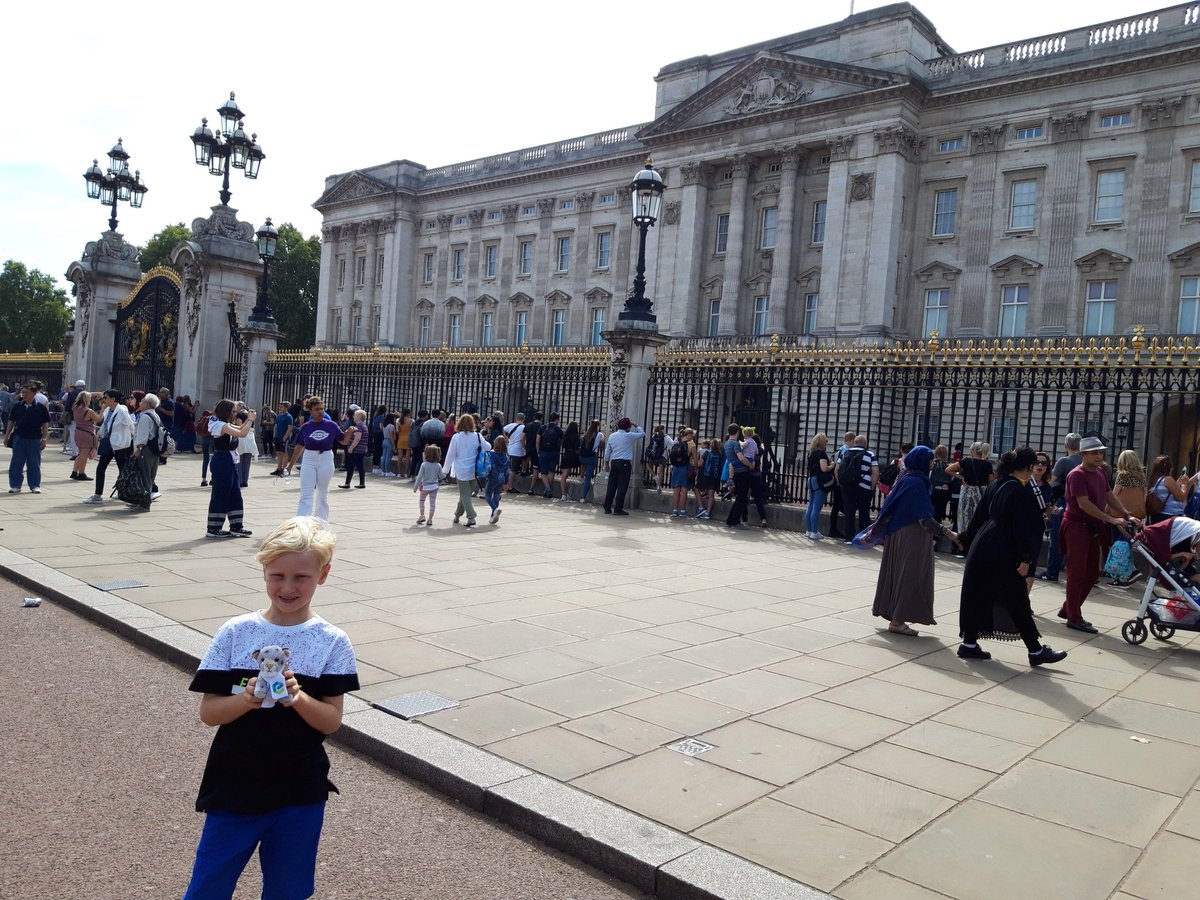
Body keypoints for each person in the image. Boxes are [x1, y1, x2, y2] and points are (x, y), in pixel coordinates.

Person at [183, 516, 359, 900]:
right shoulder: (235, 631)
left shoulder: (332, 641)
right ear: (263, 571)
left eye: (301, 577)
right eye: (277, 575)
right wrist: (246, 700)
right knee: (207, 889)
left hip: (299, 790)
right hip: (234, 785)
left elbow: (330, 722)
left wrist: (297, 698)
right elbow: (209, 712)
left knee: (288, 892)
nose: (288, 587)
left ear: (323, 575)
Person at [957, 447, 1069, 665]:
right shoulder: (1021, 490)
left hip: (983, 543)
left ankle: (969, 643)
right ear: (1028, 467)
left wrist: (965, 539)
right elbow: (1022, 529)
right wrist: (1025, 558)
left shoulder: (996, 484)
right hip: (1003, 548)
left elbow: (979, 516)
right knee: (1017, 598)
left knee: (979, 593)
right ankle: (1036, 651)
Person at [857, 446, 961, 636]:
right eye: (929, 461)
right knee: (910, 576)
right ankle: (897, 621)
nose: (930, 464)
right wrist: (949, 533)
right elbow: (924, 518)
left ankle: (893, 614)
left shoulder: (905, 477)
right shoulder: (917, 483)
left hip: (897, 533)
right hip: (912, 535)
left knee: (897, 574)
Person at [1059, 436, 1139, 633]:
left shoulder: (1100, 472)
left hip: (1093, 527)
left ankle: (1068, 608)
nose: (1099, 456)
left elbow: (1109, 495)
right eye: (1094, 452)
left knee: (1093, 572)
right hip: (1077, 526)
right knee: (1077, 573)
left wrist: (1127, 514)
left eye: (1101, 452)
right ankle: (1074, 617)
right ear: (1083, 454)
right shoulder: (1076, 475)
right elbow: (1084, 503)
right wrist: (1111, 519)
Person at [206, 400, 256, 538]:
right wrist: (250, 420)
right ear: (226, 411)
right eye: (233, 411)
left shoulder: (225, 424)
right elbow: (242, 434)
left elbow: (239, 429)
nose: (235, 414)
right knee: (221, 494)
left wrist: (248, 420)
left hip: (230, 460)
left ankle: (236, 526)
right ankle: (213, 528)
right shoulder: (220, 425)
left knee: (235, 493)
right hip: (222, 460)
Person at [1037, 433, 1082, 582]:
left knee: (1057, 538)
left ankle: (1052, 572)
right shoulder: (1084, 461)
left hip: (1064, 502)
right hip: (1082, 505)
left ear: (1066, 445)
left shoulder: (1064, 461)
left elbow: (1051, 481)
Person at [83, 390, 135, 505]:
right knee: (101, 468)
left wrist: (128, 440)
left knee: (123, 469)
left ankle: (124, 492)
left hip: (120, 445)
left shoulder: (122, 411)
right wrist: (100, 435)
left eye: (106, 398)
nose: (104, 400)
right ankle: (97, 495)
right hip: (109, 444)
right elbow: (105, 425)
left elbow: (131, 426)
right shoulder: (107, 410)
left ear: (113, 399)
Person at [296, 397, 338, 522]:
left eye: (322, 409)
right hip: (309, 458)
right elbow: (299, 446)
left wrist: (350, 431)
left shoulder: (330, 424)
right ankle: (302, 523)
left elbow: (343, 440)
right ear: (310, 411)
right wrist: (289, 464)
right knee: (306, 493)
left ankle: (321, 522)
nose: (320, 412)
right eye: (317, 409)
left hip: (325, 457)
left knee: (322, 493)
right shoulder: (306, 427)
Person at [442, 413, 488, 526]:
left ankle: (471, 516)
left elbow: (450, 455)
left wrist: (445, 470)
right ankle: (457, 514)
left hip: (461, 469)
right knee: (465, 494)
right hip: (474, 470)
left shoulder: (456, 437)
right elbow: (488, 447)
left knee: (465, 494)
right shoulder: (477, 436)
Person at [946, 441, 994, 546]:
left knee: (964, 517)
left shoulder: (966, 461)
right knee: (979, 517)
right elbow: (991, 481)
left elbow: (948, 469)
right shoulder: (988, 464)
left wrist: (961, 477)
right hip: (981, 491)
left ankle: (963, 543)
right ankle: (977, 542)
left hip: (967, 490)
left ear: (973, 451)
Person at [5, 384, 50, 493]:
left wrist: (44, 438)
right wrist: (7, 436)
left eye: (26, 392)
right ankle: (15, 485)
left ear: (34, 393)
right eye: (23, 392)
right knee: (17, 462)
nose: (24, 395)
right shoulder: (17, 406)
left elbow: (45, 423)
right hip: (19, 437)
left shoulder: (40, 407)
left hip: (34, 437)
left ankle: (34, 485)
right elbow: (11, 421)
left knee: (34, 462)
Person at [835, 434, 879, 543]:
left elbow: (837, 469)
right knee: (864, 512)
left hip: (847, 486)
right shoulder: (870, 454)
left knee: (849, 512)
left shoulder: (845, 452)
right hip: (864, 486)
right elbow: (875, 472)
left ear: (854, 442)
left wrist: (840, 482)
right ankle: (862, 538)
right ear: (865, 443)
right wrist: (871, 486)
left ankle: (849, 538)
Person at [603, 417, 645, 516]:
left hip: (614, 461)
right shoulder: (629, 435)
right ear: (628, 426)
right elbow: (642, 434)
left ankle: (607, 507)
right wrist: (636, 425)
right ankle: (618, 508)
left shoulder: (612, 436)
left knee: (612, 485)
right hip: (625, 462)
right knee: (622, 486)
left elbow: (607, 451)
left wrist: (606, 463)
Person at [131, 393, 165, 510]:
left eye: (143, 401)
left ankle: (144, 503)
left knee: (144, 475)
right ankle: (141, 500)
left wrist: (138, 449)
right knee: (150, 475)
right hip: (154, 450)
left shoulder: (145, 417)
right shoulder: (155, 415)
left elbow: (143, 436)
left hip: (146, 450)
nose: (140, 403)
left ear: (148, 404)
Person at [1147, 455, 1196, 524]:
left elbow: (1166, 493)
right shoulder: (1168, 479)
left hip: (1156, 516)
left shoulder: (1154, 479)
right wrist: (1184, 484)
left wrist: (1177, 484)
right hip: (1169, 516)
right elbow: (1181, 497)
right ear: (1169, 468)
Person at [724, 424, 754, 529]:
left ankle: (730, 520)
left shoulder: (727, 443)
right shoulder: (735, 444)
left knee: (738, 498)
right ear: (737, 432)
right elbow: (741, 457)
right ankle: (735, 521)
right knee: (742, 498)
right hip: (742, 472)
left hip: (735, 471)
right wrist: (750, 465)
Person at [806, 433, 834, 540]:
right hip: (819, 481)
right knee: (816, 508)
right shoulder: (821, 453)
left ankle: (808, 530)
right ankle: (814, 531)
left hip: (811, 479)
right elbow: (824, 468)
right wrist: (832, 465)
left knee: (810, 506)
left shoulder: (811, 453)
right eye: (826, 442)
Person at [69, 391, 102, 482]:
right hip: (87, 433)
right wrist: (102, 409)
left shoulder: (76, 408)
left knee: (80, 454)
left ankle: (74, 472)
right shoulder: (88, 411)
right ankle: (81, 473)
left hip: (78, 432)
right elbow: (99, 419)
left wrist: (97, 394)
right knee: (84, 455)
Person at [828, 431, 855, 538]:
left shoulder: (839, 449)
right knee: (839, 505)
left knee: (837, 505)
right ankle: (833, 529)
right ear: (851, 440)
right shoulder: (846, 451)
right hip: (841, 481)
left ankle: (833, 528)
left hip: (837, 480)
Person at [741, 427, 769, 527]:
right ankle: (763, 518)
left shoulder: (747, 449)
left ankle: (745, 520)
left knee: (744, 497)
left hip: (748, 473)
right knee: (758, 498)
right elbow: (762, 449)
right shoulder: (759, 450)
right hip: (757, 475)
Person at [669, 427, 696, 517]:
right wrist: (696, 468)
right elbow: (695, 459)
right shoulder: (691, 444)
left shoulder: (678, 442)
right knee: (684, 490)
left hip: (676, 467)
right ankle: (683, 511)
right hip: (685, 467)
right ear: (689, 435)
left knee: (676, 489)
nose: (693, 437)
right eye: (692, 435)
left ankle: (675, 510)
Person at [484, 433, 512, 524]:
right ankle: (493, 515)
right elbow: (507, 471)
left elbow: (488, 465)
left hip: (492, 477)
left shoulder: (491, 454)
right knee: (496, 495)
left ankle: (495, 509)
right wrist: (506, 482)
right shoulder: (506, 457)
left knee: (488, 495)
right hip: (501, 478)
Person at [339, 409, 369, 490]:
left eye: (355, 415)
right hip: (361, 450)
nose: (353, 416)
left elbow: (357, 439)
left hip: (356, 450)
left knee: (350, 466)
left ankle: (347, 483)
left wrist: (351, 448)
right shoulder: (364, 426)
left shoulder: (358, 427)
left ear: (359, 417)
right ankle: (362, 483)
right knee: (360, 466)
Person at [536, 412, 563, 498]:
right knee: (551, 472)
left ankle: (547, 489)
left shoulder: (543, 427)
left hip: (543, 452)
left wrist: (538, 451)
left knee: (543, 473)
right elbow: (562, 441)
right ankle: (548, 489)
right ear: (556, 419)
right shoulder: (558, 430)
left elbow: (537, 440)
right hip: (554, 452)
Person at [414, 444, 442, 526]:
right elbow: (442, 476)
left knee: (422, 501)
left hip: (425, 486)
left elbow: (419, 477)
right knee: (432, 503)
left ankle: (422, 515)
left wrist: (415, 487)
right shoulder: (438, 465)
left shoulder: (424, 465)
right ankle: (430, 519)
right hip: (434, 487)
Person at [695, 437, 722, 520]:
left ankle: (701, 508)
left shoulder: (707, 453)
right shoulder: (720, 455)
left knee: (696, 489)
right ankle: (707, 513)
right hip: (715, 477)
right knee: (711, 495)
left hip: (705, 476)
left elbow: (700, 464)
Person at [578, 419, 604, 503]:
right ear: (598, 426)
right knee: (588, 478)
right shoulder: (599, 434)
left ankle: (581, 476)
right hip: (591, 457)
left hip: (583, 457)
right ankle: (583, 497)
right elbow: (603, 440)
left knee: (584, 466)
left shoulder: (586, 434)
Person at [929, 444, 954, 525]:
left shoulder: (932, 464)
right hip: (944, 492)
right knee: (940, 510)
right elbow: (951, 478)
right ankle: (938, 528)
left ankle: (931, 529)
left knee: (931, 509)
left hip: (933, 490)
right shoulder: (948, 466)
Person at [235, 408, 258, 489]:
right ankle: (245, 481)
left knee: (239, 460)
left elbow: (239, 427)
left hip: (242, 438)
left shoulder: (240, 414)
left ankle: (240, 480)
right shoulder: (251, 416)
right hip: (250, 439)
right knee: (247, 461)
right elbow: (254, 429)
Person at [558, 420, 581, 501]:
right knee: (564, 475)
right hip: (572, 456)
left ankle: (564, 494)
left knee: (565, 475)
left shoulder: (566, 436)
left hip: (566, 454)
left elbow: (563, 445)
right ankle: (563, 494)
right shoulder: (576, 436)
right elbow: (577, 449)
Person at [503, 412, 527, 491]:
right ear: (523, 419)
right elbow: (523, 438)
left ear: (516, 418)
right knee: (513, 470)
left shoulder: (511, 425)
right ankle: (509, 486)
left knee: (508, 469)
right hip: (518, 451)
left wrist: (506, 438)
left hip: (510, 449)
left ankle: (505, 485)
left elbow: (502, 430)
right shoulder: (524, 427)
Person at [271, 402, 293, 477]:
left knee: (284, 453)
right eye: (279, 407)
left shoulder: (288, 416)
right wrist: (274, 436)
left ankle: (283, 469)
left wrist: (285, 437)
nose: (280, 408)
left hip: (284, 438)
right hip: (277, 437)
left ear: (286, 408)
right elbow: (276, 426)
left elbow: (290, 428)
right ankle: (279, 468)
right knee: (278, 453)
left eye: (282, 407)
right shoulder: (279, 416)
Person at [645, 424, 669, 492]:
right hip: (662, 455)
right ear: (663, 429)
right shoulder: (666, 436)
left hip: (653, 454)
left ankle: (655, 477)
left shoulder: (654, 435)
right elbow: (672, 443)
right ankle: (659, 486)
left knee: (648, 466)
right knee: (661, 471)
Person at [396, 409, 413, 478]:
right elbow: (411, 430)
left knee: (399, 456)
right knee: (407, 457)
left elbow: (397, 431)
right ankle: (406, 473)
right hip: (408, 439)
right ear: (409, 413)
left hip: (401, 438)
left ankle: (399, 473)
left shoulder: (398, 420)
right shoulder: (411, 420)